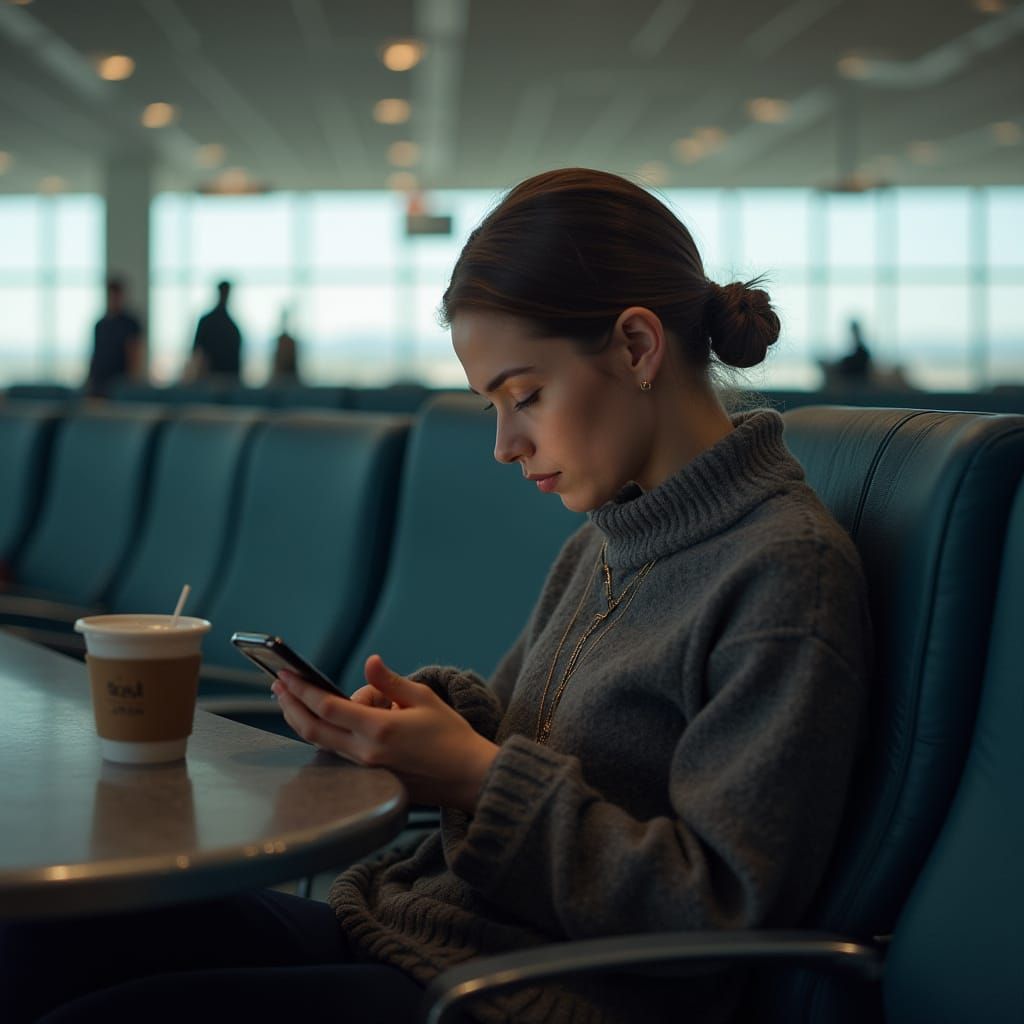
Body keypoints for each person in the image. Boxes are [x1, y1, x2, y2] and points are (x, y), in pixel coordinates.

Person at [1, 169, 872, 1024]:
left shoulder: (784, 574)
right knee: (37, 941)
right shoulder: (604, 541)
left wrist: (472, 773)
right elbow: (537, 747)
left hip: (521, 994)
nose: (504, 444)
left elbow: (715, 908)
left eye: (524, 396)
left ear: (638, 348)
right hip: (420, 934)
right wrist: (432, 724)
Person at [85, 278, 145, 397]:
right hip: (99, 383)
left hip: (120, 382)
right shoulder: (100, 325)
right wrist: (89, 380)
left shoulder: (130, 323)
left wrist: (132, 381)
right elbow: (95, 355)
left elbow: (134, 353)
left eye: (116, 296)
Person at [186, 280, 242, 380]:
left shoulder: (230, 327)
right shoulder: (231, 327)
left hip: (223, 379)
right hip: (209, 378)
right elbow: (197, 352)